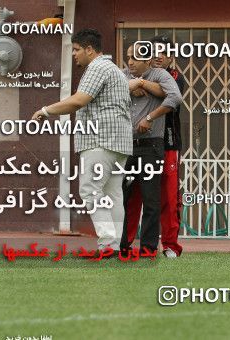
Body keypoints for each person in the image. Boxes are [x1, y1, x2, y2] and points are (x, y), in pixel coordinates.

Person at [32, 28, 133, 251]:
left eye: (76, 49)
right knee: (112, 194)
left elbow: (79, 100)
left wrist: (46, 111)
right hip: (119, 141)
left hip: (100, 139)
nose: (74, 54)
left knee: (90, 190)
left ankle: (107, 243)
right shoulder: (112, 68)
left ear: (90, 49)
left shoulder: (97, 67)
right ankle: (115, 245)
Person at [125, 36, 186, 258]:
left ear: (172, 56)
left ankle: (169, 245)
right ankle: (126, 242)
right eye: (155, 51)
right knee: (133, 196)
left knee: (167, 197)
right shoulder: (134, 75)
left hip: (167, 143)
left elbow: (171, 97)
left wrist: (141, 84)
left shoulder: (174, 78)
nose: (159, 55)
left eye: (164, 51)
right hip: (134, 143)